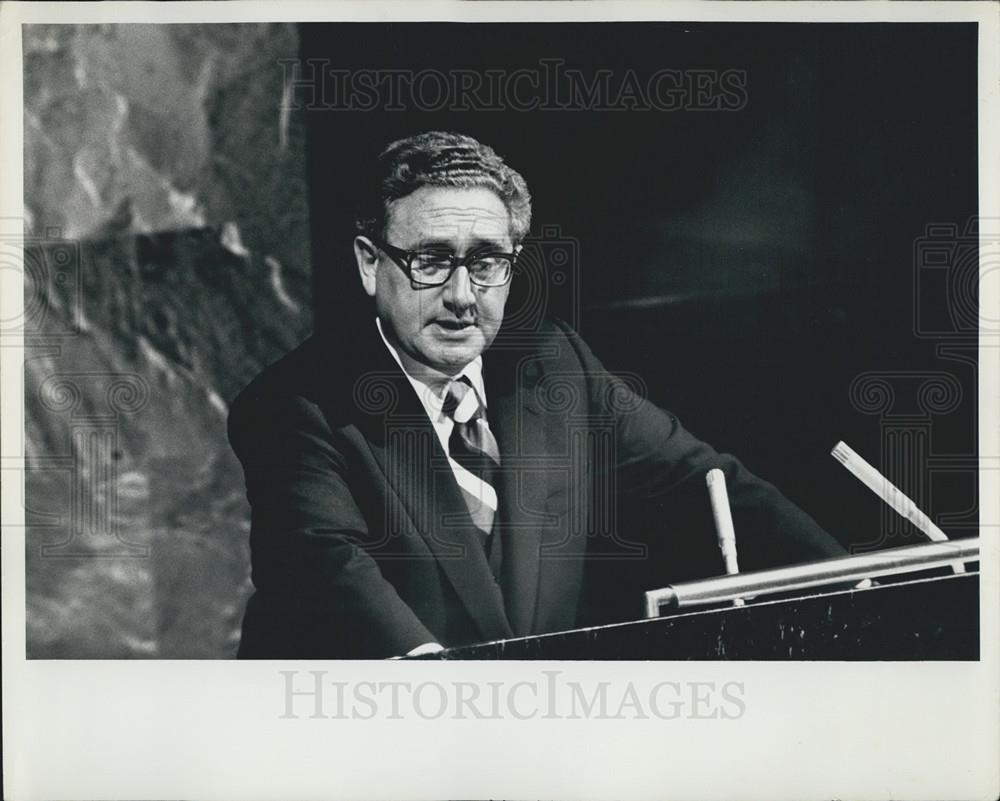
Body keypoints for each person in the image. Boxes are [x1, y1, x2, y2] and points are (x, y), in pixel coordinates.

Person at [228, 131, 846, 659]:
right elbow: (328, 568)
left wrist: (853, 588)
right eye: (431, 261)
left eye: (486, 262)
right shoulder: (294, 406)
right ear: (370, 263)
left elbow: (704, 482)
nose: (462, 296)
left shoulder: (551, 364)